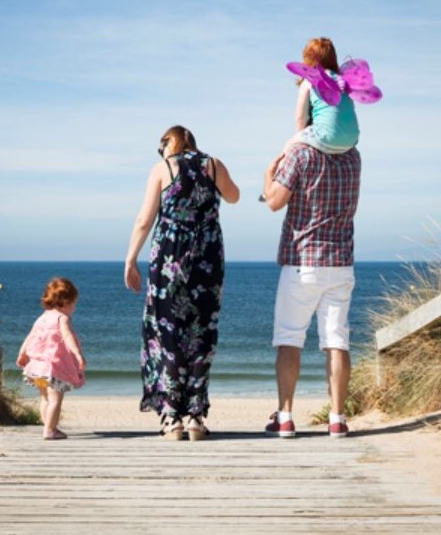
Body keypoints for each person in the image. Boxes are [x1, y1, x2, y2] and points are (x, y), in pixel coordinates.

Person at [125, 125, 240, 440]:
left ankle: (172, 418)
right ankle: (195, 418)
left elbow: (144, 220)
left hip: (170, 257)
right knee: (202, 332)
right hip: (208, 258)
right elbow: (234, 196)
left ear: (168, 143)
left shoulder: (163, 168)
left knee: (168, 332)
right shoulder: (213, 164)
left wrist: (130, 259)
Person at [262, 134, 361, 438]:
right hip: (340, 262)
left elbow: (274, 201)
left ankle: (285, 418)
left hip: (302, 261)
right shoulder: (353, 156)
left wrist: (269, 175)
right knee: (337, 341)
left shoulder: (300, 154)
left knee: (290, 339)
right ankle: (337, 419)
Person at [16, 277, 86, 440]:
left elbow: (30, 336)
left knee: (45, 398)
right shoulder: (62, 318)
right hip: (53, 368)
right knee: (55, 399)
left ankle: (48, 426)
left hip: (37, 369)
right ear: (66, 302)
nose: (74, 307)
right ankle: (50, 430)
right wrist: (77, 354)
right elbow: (67, 337)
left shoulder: (42, 317)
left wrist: (22, 353)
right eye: (74, 303)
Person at [283, 37, 360, 156]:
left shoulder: (309, 82)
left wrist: (301, 139)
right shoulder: (344, 82)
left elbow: (300, 118)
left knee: (289, 145)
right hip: (351, 140)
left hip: (326, 139)